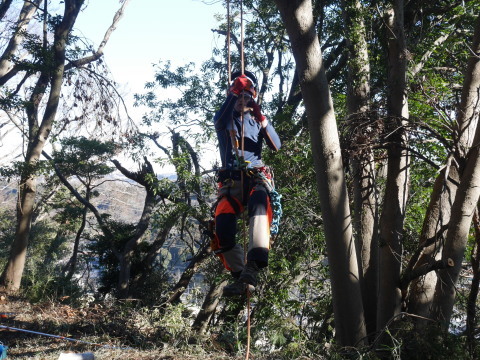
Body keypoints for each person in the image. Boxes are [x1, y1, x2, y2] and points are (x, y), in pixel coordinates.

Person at [212, 71, 281, 296]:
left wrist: (262, 118)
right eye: (238, 96)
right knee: (222, 228)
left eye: (246, 96)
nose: (242, 100)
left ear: (253, 96)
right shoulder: (225, 118)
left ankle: (254, 265)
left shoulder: (257, 120)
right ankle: (241, 275)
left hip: (255, 177)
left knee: (260, 204)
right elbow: (219, 120)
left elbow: (276, 146)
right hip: (231, 181)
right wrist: (232, 95)